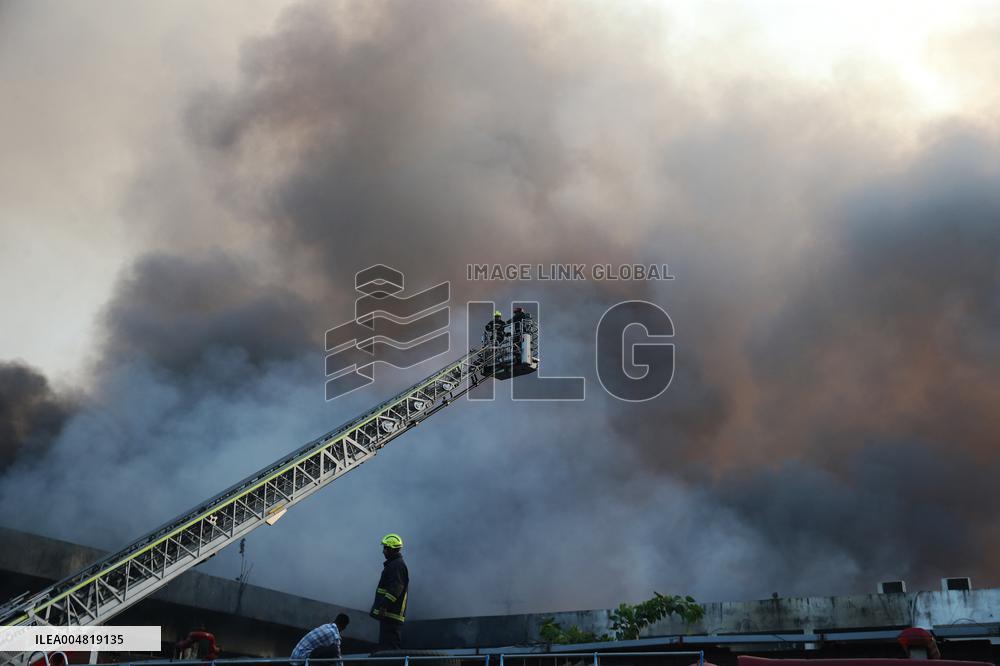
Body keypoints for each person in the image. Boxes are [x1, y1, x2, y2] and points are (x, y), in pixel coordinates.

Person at [370, 533, 409, 651]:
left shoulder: (397, 566)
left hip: (391, 614)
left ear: (392, 549)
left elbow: (396, 588)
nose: (383, 551)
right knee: (386, 648)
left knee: (391, 649)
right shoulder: (394, 565)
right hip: (388, 615)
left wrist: (383, 606)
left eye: (385, 548)